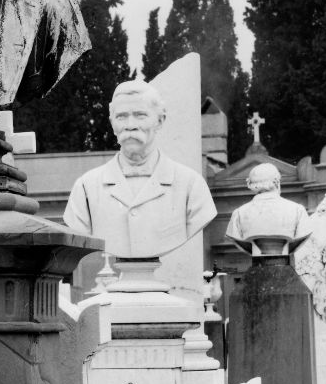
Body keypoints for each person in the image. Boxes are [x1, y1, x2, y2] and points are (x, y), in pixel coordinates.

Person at [63, 80, 216, 258]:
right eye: (121, 116)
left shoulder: (192, 186)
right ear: (112, 123)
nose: (130, 125)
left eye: (140, 115)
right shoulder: (85, 188)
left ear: (160, 120)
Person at [226, 162, 312, 249]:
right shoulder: (297, 210)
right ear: (276, 182)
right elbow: (302, 235)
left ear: (251, 184)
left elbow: (236, 237)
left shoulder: (238, 213)